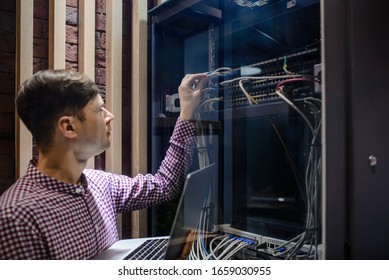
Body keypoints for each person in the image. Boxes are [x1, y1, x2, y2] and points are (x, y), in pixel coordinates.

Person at [0, 69, 208, 259]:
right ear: (69, 127)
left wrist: (186, 114)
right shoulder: (16, 219)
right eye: (99, 110)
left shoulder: (100, 183)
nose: (110, 116)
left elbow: (164, 185)